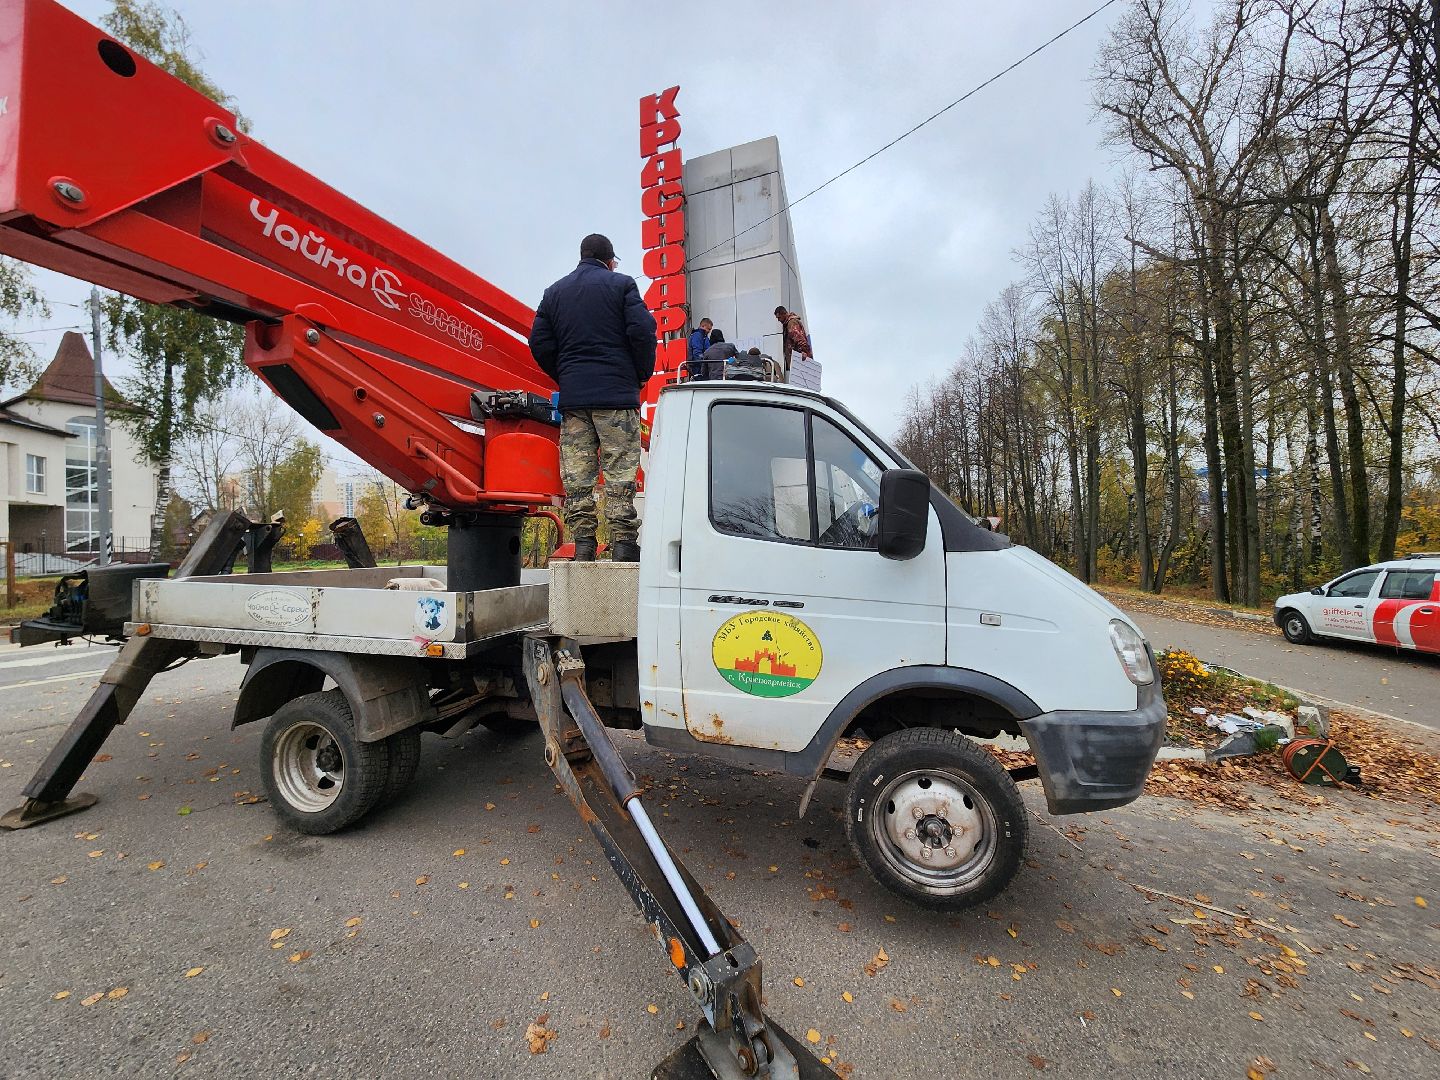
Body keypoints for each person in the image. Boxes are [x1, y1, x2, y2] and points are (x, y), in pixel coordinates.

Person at [529, 233, 656, 562]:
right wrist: (640, 374)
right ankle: (624, 542)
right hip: (616, 396)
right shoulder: (622, 285)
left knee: (578, 474)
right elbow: (643, 332)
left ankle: (584, 542)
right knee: (620, 471)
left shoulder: (554, 293)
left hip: (575, 402)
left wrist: (566, 374)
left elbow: (539, 342)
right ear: (610, 260)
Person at [773, 306, 813, 378]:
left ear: (784, 314)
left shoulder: (791, 323)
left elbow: (799, 338)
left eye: (779, 317)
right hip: (797, 360)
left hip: (800, 360)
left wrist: (804, 352)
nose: (778, 320)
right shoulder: (789, 323)